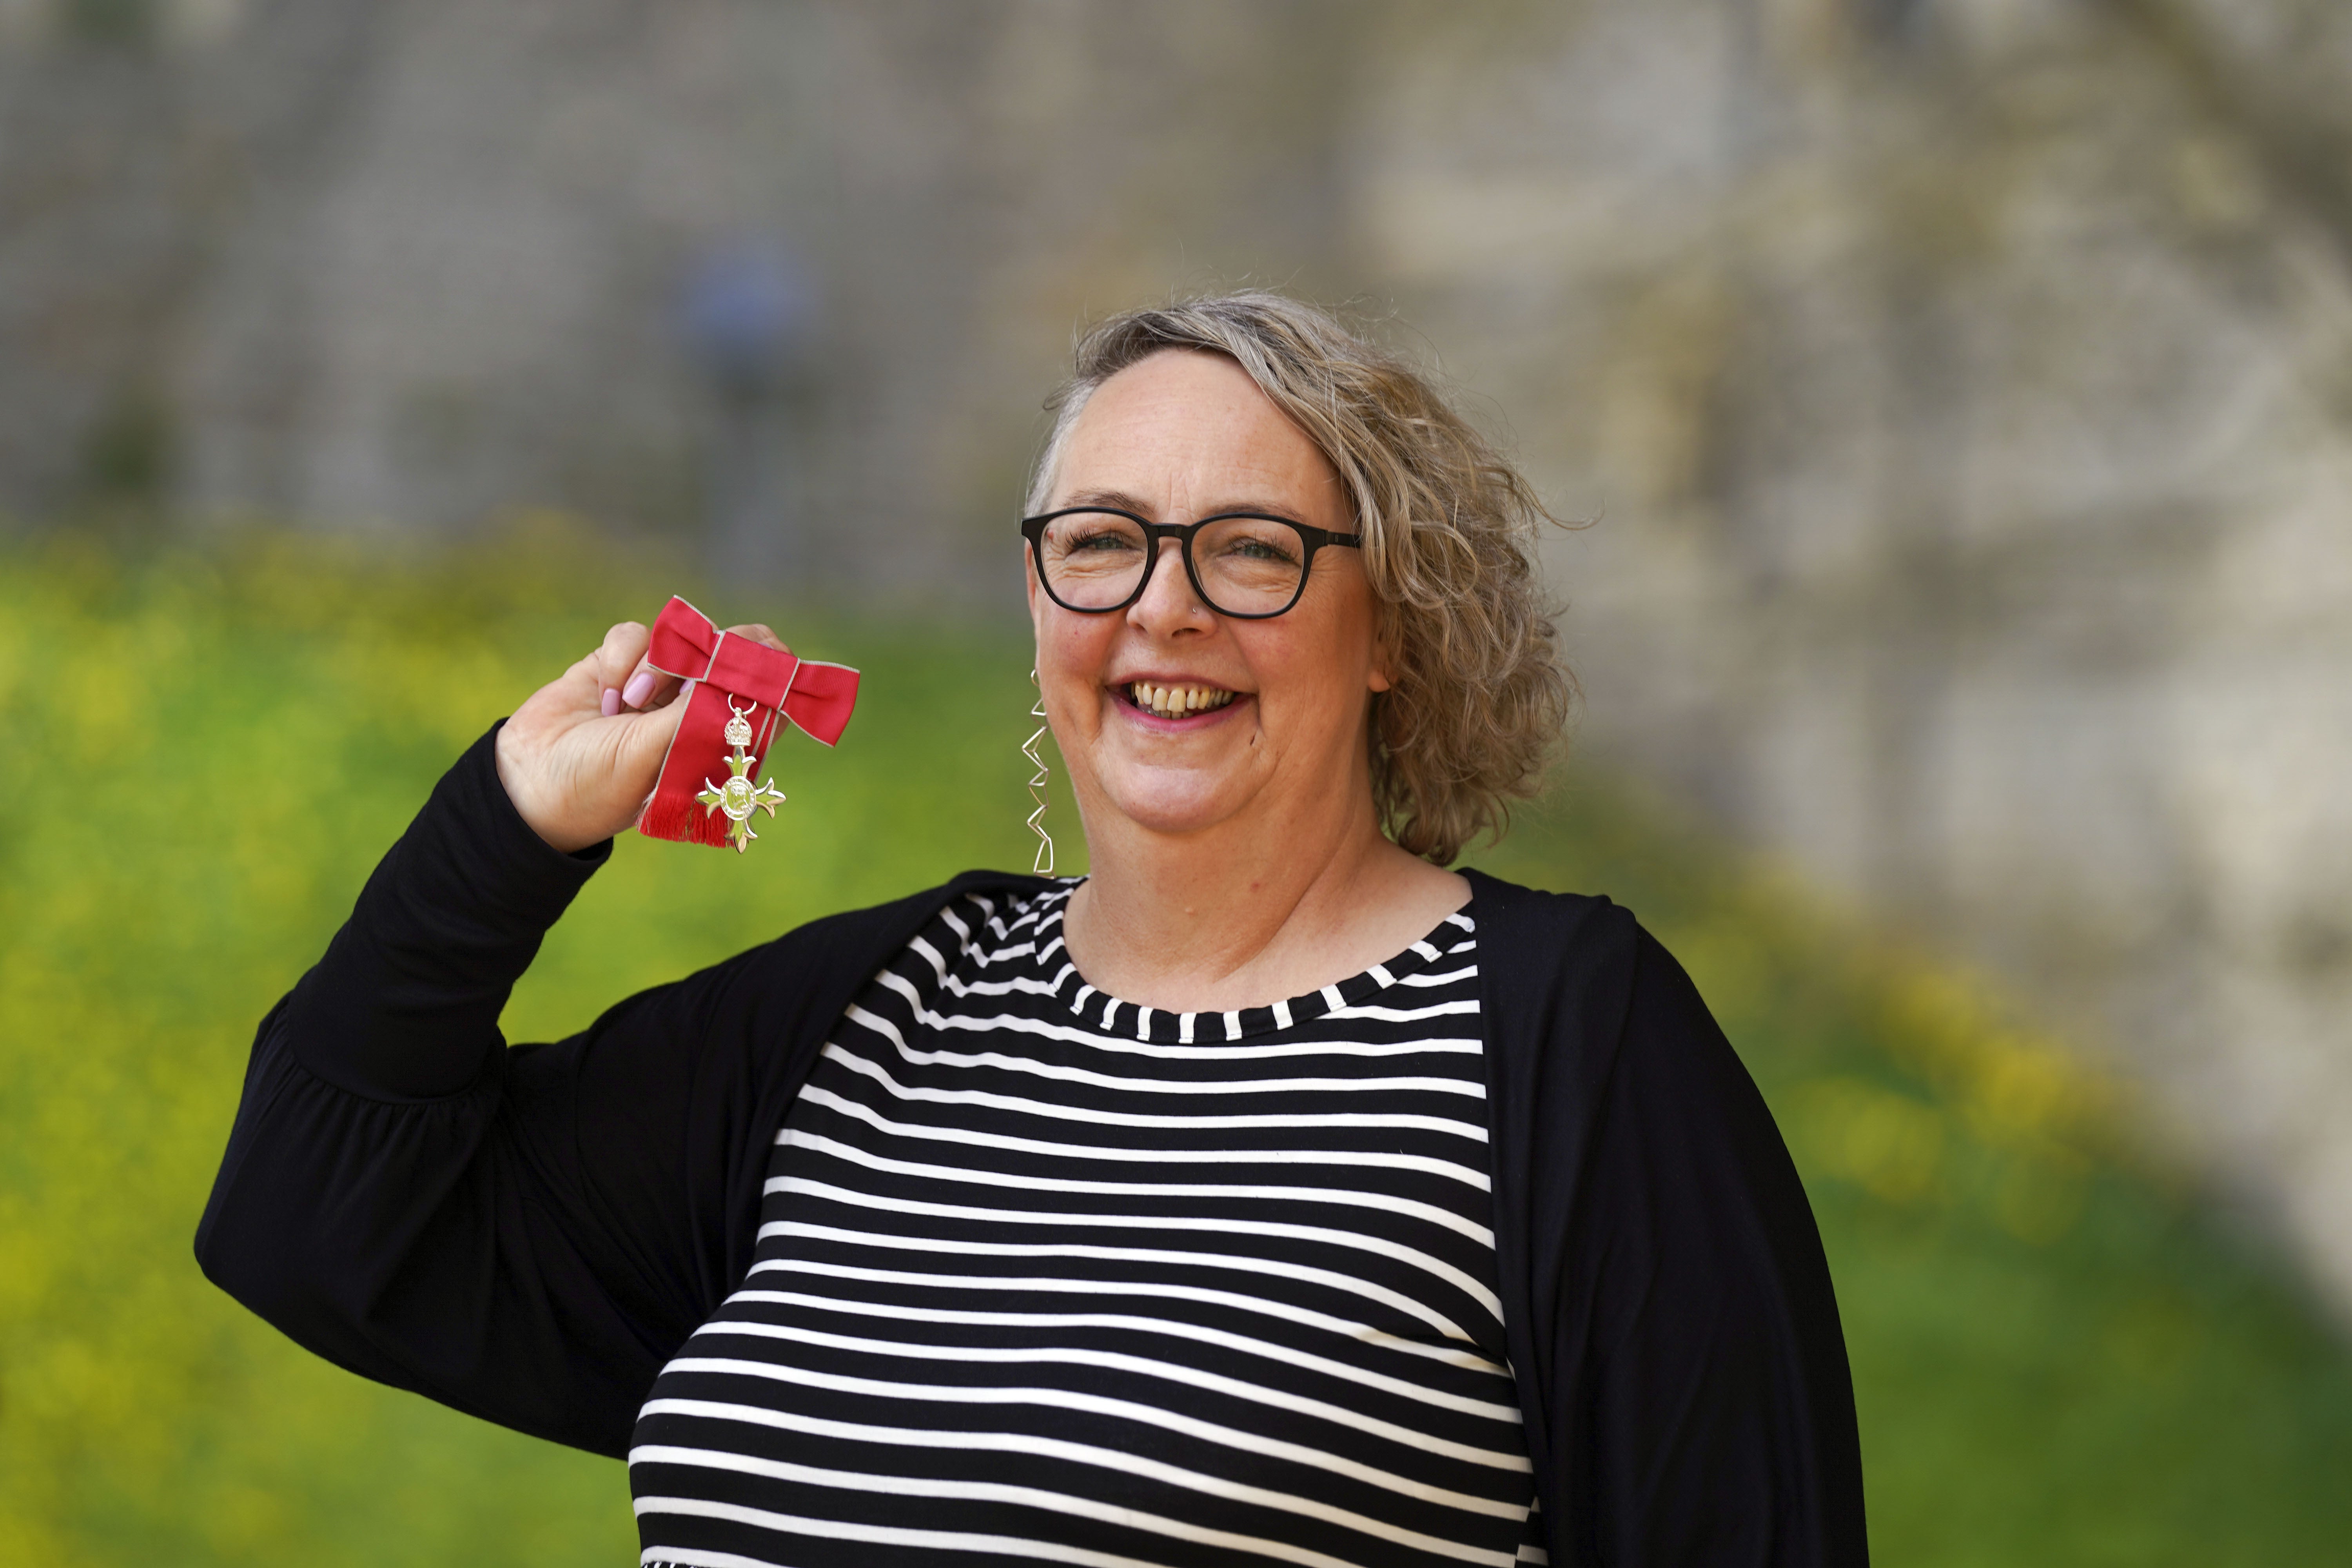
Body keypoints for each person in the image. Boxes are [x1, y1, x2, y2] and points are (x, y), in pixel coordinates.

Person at [198, 292, 1867, 1567]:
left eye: (1253, 551)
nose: (1162, 605)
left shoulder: (1571, 1046)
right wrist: (509, 818)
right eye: (1100, 544)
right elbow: (317, 1210)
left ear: (1394, 629)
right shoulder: (873, 1017)